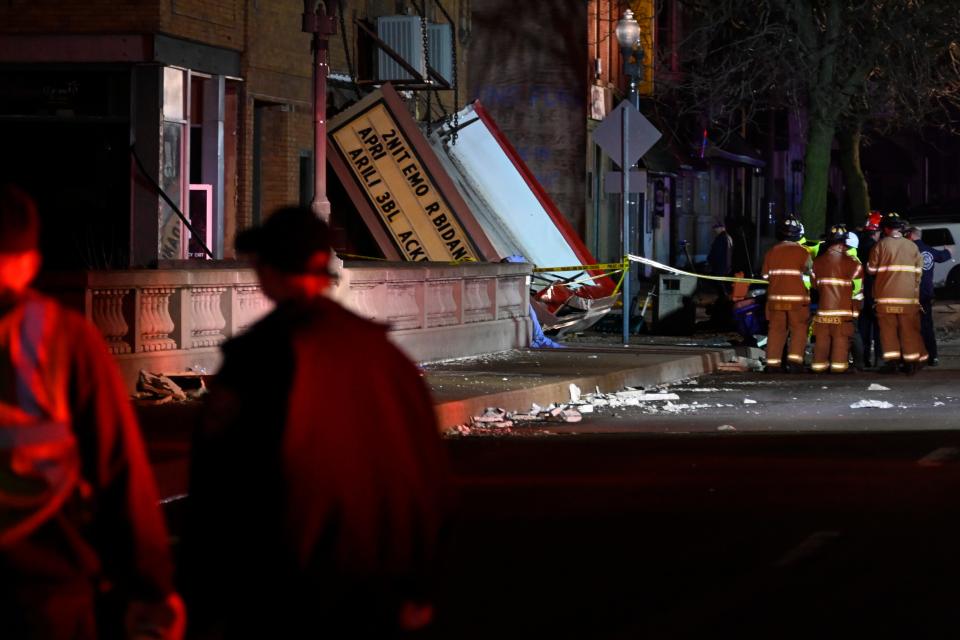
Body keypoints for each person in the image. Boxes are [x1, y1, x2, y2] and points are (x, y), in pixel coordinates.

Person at [184, 206, 452, 638]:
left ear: (266, 270)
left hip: (279, 585)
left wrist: (202, 592)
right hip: (371, 580)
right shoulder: (384, 358)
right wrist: (418, 583)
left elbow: (219, 485)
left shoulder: (258, 360)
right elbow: (423, 475)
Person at [0, 184, 184, 639]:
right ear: (31, 261)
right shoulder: (61, 338)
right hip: (46, 588)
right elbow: (118, 468)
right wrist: (152, 585)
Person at [867, 213, 926, 374]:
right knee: (908, 330)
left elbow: (871, 270)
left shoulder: (880, 245)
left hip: (885, 298)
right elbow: (918, 273)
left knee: (888, 331)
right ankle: (911, 362)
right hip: (908, 298)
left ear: (886, 228)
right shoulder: (912, 246)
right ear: (900, 228)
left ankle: (892, 363)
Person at [761, 216, 812, 372]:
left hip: (776, 300)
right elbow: (810, 275)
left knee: (776, 331)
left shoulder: (771, 252)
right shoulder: (804, 252)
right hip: (797, 301)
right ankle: (795, 363)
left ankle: (772, 364)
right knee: (798, 330)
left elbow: (765, 276)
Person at [810, 226, 862, 373]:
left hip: (824, 308)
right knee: (840, 338)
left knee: (822, 338)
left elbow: (814, 285)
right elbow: (857, 289)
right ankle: (838, 367)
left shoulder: (817, 263)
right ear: (843, 243)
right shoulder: (854, 264)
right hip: (843, 309)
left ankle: (819, 366)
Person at [905, 226, 952, 366]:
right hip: (926, 293)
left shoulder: (908, 250)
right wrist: (948, 251)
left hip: (910, 294)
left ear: (911, 235)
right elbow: (944, 256)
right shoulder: (928, 250)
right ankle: (933, 356)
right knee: (927, 325)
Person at [857, 211, 883, 366]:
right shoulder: (876, 248)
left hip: (861, 293)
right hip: (874, 291)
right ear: (876, 232)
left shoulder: (858, 245)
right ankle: (879, 359)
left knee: (863, 329)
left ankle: (863, 359)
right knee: (879, 327)